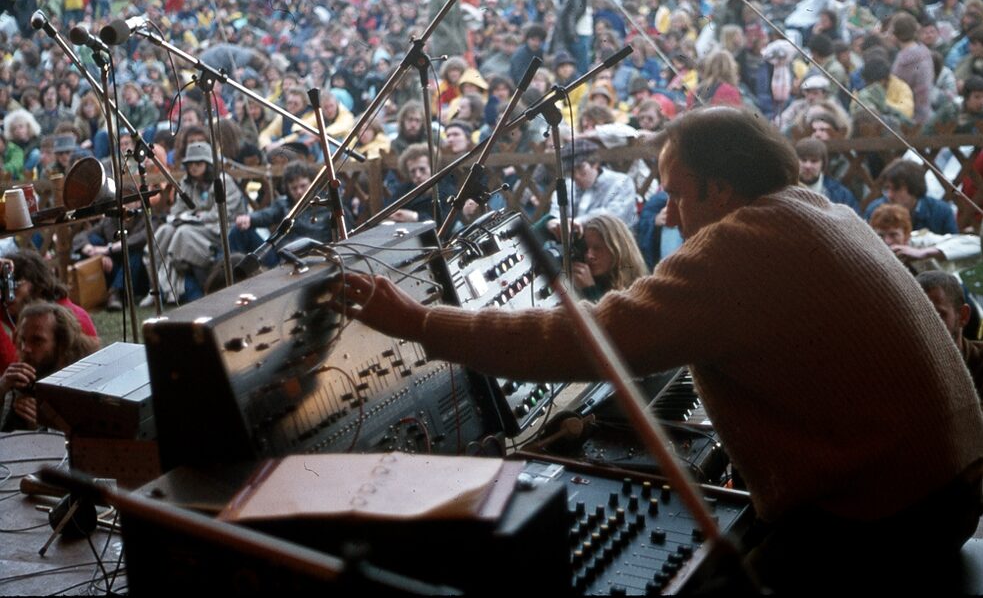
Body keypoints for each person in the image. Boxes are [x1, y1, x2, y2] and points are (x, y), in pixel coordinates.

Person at [336, 107, 983, 592]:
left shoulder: (743, 243)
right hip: (941, 488)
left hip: (887, 518)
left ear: (720, 189)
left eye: (675, 192)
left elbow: (587, 339)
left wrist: (419, 320)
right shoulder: (815, 212)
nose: (666, 214)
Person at [146, 141, 246, 305]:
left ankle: (172, 290)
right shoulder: (186, 182)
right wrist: (191, 216)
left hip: (222, 229)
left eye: (198, 163)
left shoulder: (222, 181)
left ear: (208, 163)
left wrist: (198, 217)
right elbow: (176, 210)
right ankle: (156, 287)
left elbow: (222, 213)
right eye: (190, 163)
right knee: (165, 231)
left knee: (183, 234)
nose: (194, 167)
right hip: (195, 226)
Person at [0, 302, 100, 431]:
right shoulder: (24, 379)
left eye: (37, 340)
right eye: (23, 340)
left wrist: (44, 427)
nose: (26, 349)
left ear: (62, 343)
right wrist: (2, 389)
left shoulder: (82, 386)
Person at [916, 271, 983, 404]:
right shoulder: (909, 370)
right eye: (917, 316)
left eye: (937, 315)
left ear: (963, 316)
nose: (925, 325)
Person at [864, 158, 958, 235]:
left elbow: (953, 247)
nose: (890, 195)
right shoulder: (875, 210)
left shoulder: (940, 211)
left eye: (896, 189)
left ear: (914, 188)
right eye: (887, 188)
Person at [571, 214, 648, 302]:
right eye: (585, 248)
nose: (589, 256)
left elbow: (607, 315)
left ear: (617, 249)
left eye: (597, 248)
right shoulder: (578, 281)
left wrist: (590, 291)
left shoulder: (641, 290)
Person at [794, 138, 859, 213]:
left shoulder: (840, 194)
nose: (808, 166)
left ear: (823, 164)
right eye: (803, 160)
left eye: (814, 161)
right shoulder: (784, 190)